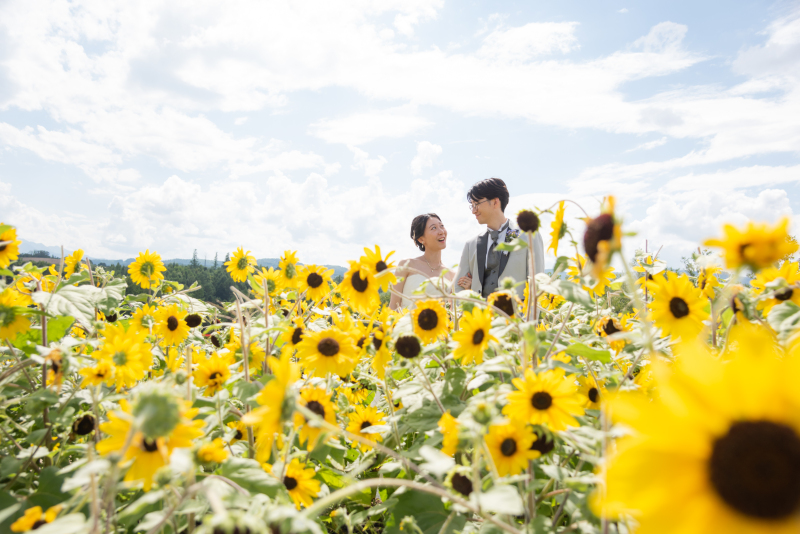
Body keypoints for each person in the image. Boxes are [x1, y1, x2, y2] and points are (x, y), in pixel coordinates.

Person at [455, 178, 544, 300]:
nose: (473, 211)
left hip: (517, 317)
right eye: (472, 206)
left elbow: (537, 282)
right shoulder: (471, 244)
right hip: (481, 317)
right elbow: (458, 286)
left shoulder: (527, 235)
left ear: (495, 202)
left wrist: (530, 318)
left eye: (476, 204)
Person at [389, 213, 455, 310]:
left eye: (442, 226)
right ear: (421, 239)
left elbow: (452, 313)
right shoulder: (406, 265)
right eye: (433, 228)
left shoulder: (451, 275)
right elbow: (393, 307)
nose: (441, 232)